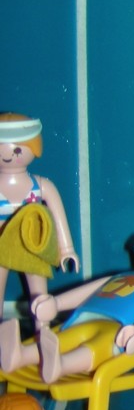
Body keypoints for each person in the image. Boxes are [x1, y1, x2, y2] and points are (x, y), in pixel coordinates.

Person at [0, 228, 134, 383]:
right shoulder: (121, 275)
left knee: (97, 346)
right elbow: (89, 290)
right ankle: (20, 356)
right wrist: (57, 303)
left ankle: (61, 365)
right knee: (63, 338)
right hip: (90, 316)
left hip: (120, 331)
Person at [0, 113, 78, 317]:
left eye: (18, 149)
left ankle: (41, 326)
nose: (7, 154)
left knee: (39, 294)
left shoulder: (41, 185)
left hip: (32, 244)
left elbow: (58, 216)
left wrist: (67, 249)